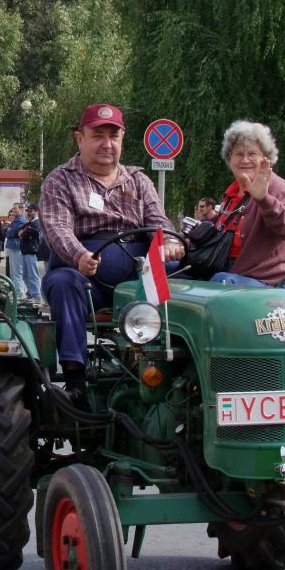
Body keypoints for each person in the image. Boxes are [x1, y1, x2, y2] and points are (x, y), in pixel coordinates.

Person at [39, 103, 180, 398]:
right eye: (98, 135)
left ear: (122, 139)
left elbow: (158, 221)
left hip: (136, 275)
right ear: (80, 138)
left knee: (183, 282)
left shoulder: (138, 180)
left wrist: (170, 242)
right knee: (63, 284)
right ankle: (76, 380)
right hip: (87, 277)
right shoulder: (60, 180)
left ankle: (177, 370)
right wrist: (78, 255)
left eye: (113, 136)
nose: (107, 144)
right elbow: (57, 228)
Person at [209, 120, 285, 287]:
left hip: (265, 280)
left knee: (220, 282)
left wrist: (264, 199)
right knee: (173, 272)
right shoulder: (232, 192)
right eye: (238, 154)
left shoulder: (278, 187)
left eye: (252, 154)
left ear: (265, 159)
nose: (245, 160)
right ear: (229, 158)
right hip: (230, 271)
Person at [18, 203, 42, 300]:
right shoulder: (29, 223)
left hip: (31, 251)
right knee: (25, 275)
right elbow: (18, 231)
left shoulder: (37, 223)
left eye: (30, 211)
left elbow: (24, 234)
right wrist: (23, 232)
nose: (28, 213)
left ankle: (36, 294)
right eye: (27, 211)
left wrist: (23, 233)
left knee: (33, 274)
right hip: (25, 250)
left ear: (36, 211)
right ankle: (30, 292)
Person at [4, 203, 27, 298]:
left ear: (21, 210)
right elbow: (8, 232)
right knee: (13, 272)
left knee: (17, 271)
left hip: (16, 248)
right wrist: (10, 231)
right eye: (12, 209)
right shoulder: (16, 220)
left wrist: (10, 230)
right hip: (12, 247)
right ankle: (15, 291)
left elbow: (12, 232)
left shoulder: (21, 220)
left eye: (15, 209)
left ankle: (19, 292)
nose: (13, 211)